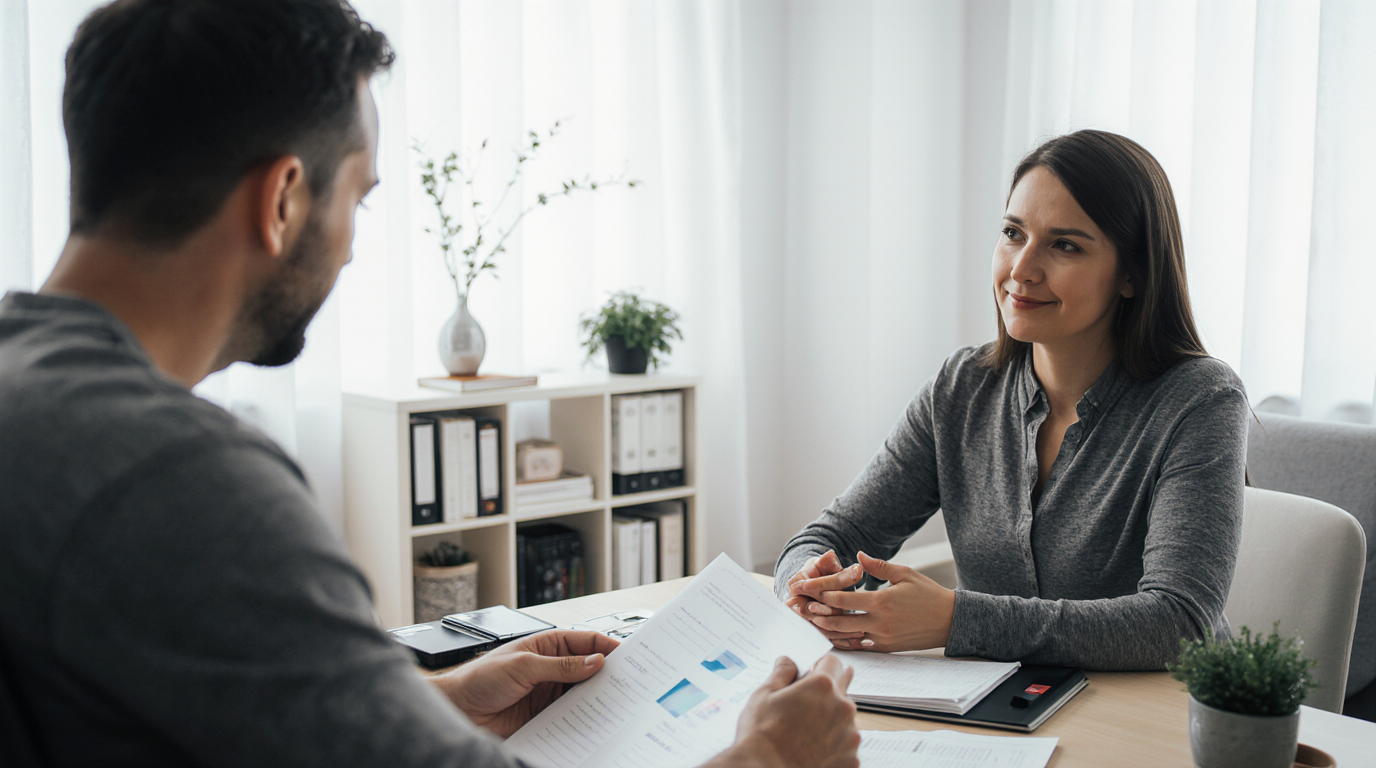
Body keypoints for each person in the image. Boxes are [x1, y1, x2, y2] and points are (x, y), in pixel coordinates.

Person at [0, 1, 860, 766]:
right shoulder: (184, 481)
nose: (350, 245)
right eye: (360, 201)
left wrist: (435, 707)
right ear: (283, 200)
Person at [776, 130, 1248, 672]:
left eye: (1065, 245)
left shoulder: (1200, 399)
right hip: (1001, 712)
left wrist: (956, 620)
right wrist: (805, 585)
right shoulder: (961, 388)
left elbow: (1178, 624)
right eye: (1012, 233)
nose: (1022, 269)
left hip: (1157, 721)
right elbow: (829, 537)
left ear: (1133, 274)